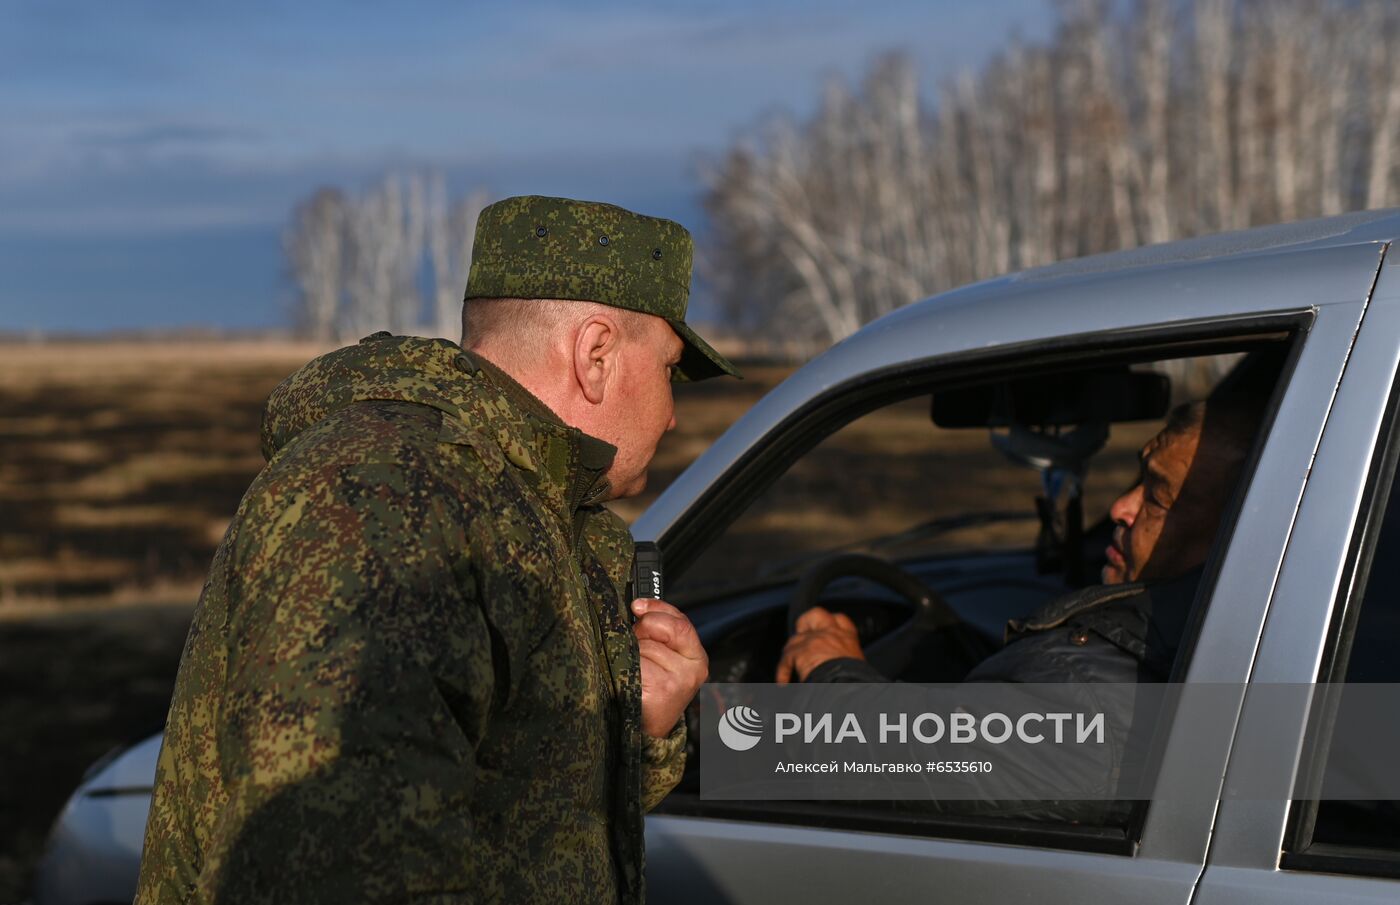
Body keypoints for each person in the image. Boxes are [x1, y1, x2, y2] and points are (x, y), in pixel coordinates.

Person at [134, 196, 740, 905]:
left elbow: (519, 821)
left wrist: (636, 728)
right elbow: (335, 861)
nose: (671, 412)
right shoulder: (386, 494)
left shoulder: (532, 510)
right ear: (595, 354)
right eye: (669, 368)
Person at [775, 395, 1262, 819]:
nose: (1120, 507)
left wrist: (829, 666)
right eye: (1139, 478)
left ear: (1234, 538)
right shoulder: (1163, 646)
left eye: (1156, 496)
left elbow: (896, 760)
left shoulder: (1101, 699)